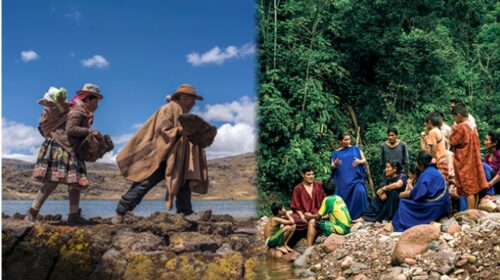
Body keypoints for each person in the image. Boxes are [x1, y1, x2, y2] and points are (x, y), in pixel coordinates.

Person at [112, 84, 209, 224]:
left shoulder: (184, 114)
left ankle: (185, 212)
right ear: (183, 97)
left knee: (183, 184)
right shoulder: (167, 109)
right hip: (161, 157)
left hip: (177, 158)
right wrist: (180, 131)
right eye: (192, 99)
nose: (194, 103)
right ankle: (120, 212)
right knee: (144, 184)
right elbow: (163, 129)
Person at [25, 84, 104, 225]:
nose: (97, 105)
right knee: (52, 181)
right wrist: (90, 131)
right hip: (61, 147)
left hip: (68, 147)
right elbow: (71, 129)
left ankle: (73, 216)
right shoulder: (78, 111)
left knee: (75, 183)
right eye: (95, 101)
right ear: (87, 99)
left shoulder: (79, 109)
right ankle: (32, 213)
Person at [392, 151, 450, 232]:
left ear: (420, 163)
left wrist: (402, 194)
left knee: (404, 201)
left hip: (433, 207)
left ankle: (404, 224)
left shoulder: (426, 174)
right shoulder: (435, 171)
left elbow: (417, 194)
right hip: (442, 205)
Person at [449, 103, 488, 209]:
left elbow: (453, 141)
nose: (454, 119)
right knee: (475, 189)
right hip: (474, 159)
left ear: (458, 114)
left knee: (468, 190)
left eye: (454, 117)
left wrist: (453, 129)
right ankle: (474, 211)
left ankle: (470, 213)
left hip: (465, 160)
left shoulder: (460, 127)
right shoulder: (473, 126)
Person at [330, 132, 368, 220]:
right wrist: (334, 165)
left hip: (356, 179)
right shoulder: (336, 153)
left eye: (349, 139)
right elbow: (332, 166)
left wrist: (359, 162)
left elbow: (364, 160)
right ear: (340, 141)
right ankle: (346, 217)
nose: (348, 141)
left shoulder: (356, 149)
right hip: (342, 181)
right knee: (342, 198)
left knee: (360, 191)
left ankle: (361, 216)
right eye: (345, 140)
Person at [289, 167, 325, 247]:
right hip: (304, 214)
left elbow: (326, 198)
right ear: (303, 175)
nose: (311, 176)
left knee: (317, 219)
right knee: (292, 220)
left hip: (317, 213)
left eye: (312, 174)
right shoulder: (298, 188)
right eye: (308, 175)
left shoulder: (319, 185)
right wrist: (301, 216)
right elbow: (296, 206)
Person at [420, 112, 449, 183]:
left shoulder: (432, 132)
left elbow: (433, 149)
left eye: (426, 124)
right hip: (444, 160)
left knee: (436, 183)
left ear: (429, 122)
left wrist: (432, 162)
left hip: (438, 162)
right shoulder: (439, 131)